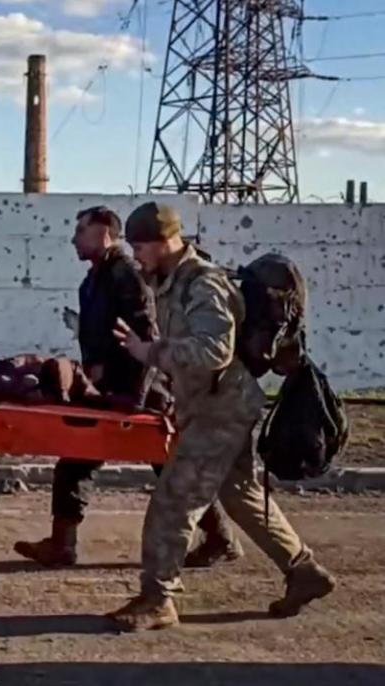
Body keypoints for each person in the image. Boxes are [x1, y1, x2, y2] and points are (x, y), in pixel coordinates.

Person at [108, 202, 335, 631]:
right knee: (240, 495)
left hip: (222, 410)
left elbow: (214, 352)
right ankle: (305, 572)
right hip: (215, 404)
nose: (135, 255)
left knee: (174, 502)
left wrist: (149, 352)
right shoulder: (172, 281)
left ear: (163, 242)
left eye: (140, 246)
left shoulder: (203, 284)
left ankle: (159, 599)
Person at [14, 206, 241, 568]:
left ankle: (217, 538)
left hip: (137, 393)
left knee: (156, 461)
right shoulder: (94, 280)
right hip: (108, 391)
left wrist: (134, 398)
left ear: (104, 232)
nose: (75, 239)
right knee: (88, 459)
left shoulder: (126, 275)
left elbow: (148, 336)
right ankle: (63, 544)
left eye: (81, 231)